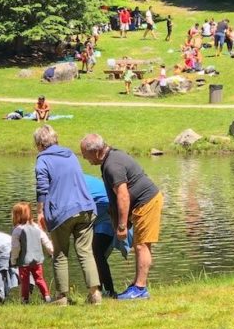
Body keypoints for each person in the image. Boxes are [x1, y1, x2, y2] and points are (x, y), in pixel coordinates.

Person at [80, 134, 163, 301]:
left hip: (146, 201)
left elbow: (123, 195)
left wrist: (122, 226)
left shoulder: (112, 165)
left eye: (85, 154)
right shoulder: (111, 158)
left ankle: (139, 289)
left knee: (141, 246)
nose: (84, 157)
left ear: (96, 152)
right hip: (144, 202)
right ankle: (138, 285)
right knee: (141, 245)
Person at [34, 125, 101, 305]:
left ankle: (61, 298)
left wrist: (40, 212)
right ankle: (95, 294)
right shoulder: (70, 154)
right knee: (86, 252)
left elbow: (42, 188)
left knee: (61, 254)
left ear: (40, 144)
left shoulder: (42, 160)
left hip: (61, 212)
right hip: (86, 208)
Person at [84, 173, 132, 298]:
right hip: (104, 216)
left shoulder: (76, 182)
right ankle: (101, 290)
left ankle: (109, 291)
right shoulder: (81, 178)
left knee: (97, 253)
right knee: (97, 254)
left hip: (108, 217)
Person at [10, 202, 53, 304]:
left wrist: (13, 260)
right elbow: (46, 240)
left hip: (24, 262)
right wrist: (52, 251)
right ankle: (47, 296)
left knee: (24, 281)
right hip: (37, 260)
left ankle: (25, 300)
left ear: (16, 216)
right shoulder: (36, 227)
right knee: (39, 279)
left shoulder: (17, 230)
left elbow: (16, 248)